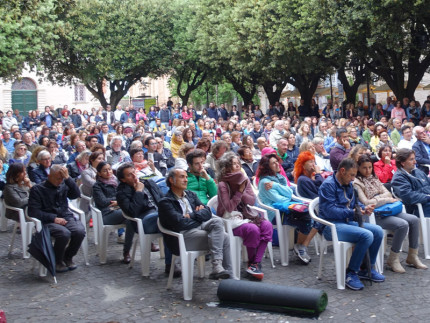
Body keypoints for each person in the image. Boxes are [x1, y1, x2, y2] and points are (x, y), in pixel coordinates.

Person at [319, 158, 385, 290]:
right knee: (366, 235)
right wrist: (352, 212)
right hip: (331, 226)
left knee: (378, 231)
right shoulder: (328, 185)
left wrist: (363, 209)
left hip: (347, 223)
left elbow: (355, 204)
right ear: (342, 171)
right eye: (352, 175)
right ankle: (350, 272)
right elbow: (329, 211)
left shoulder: (348, 184)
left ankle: (366, 268)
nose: (353, 179)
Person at [354, 154, 426, 273]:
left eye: (370, 167)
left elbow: (387, 192)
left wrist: (378, 199)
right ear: (358, 168)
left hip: (387, 210)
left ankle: (413, 255)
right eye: (364, 168)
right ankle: (393, 259)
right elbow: (366, 202)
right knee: (402, 224)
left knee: (413, 219)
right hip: (373, 215)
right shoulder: (357, 183)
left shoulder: (374, 178)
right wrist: (384, 199)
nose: (367, 171)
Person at [159, 168, 231, 280]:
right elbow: (180, 223)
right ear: (171, 180)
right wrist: (198, 215)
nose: (186, 180)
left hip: (197, 227)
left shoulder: (190, 194)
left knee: (218, 221)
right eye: (182, 177)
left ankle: (221, 269)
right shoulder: (165, 202)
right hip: (182, 237)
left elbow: (207, 212)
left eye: (186, 177)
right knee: (224, 237)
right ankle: (224, 273)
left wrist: (192, 215)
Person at [217, 152, 272, 280]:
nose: (238, 166)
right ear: (226, 168)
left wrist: (242, 190)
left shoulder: (244, 179)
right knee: (252, 230)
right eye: (234, 164)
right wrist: (239, 191)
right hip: (230, 220)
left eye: (238, 163)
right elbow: (229, 207)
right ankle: (252, 263)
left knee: (267, 226)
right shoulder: (223, 184)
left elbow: (251, 201)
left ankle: (255, 263)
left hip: (246, 215)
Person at [116, 163, 176, 274]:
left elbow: (162, 199)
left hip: (160, 216)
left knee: (169, 225)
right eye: (129, 175)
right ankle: (172, 264)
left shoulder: (148, 182)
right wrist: (138, 192)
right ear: (123, 180)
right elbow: (132, 212)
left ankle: (171, 264)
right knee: (168, 219)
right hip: (144, 221)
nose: (134, 176)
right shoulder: (122, 192)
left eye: (134, 172)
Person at [257, 153, 314, 264]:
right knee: (305, 216)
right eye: (273, 163)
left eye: (277, 161)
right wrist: (281, 190)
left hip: (285, 208)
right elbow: (280, 200)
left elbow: (289, 192)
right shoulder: (264, 182)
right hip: (275, 214)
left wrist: (275, 185)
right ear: (267, 167)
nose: (277, 164)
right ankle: (300, 247)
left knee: (309, 214)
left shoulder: (279, 178)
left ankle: (299, 246)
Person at [28, 165, 85, 273]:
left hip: (65, 216)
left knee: (79, 231)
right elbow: (33, 211)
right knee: (64, 234)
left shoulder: (64, 184)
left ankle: (67, 257)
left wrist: (68, 179)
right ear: (49, 176)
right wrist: (53, 218)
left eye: (62, 178)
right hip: (48, 220)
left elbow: (76, 194)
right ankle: (57, 260)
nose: (60, 181)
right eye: (57, 178)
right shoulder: (38, 189)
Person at [92, 162, 128, 260]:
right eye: (105, 170)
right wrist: (119, 201)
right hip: (107, 214)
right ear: (99, 173)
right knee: (130, 213)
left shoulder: (117, 181)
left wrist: (118, 202)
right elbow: (103, 202)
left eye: (109, 169)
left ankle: (127, 252)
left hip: (120, 209)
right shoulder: (97, 186)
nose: (108, 172)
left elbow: (126, 195)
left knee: (132, 221)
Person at [392, 148, 430, 217]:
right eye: (411, 159)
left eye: (414, 159)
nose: (415, 162)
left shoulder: (417, 171)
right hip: (419, 208)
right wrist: (427, 197)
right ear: (402, 163)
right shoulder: (398, 178)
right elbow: (409, 196)